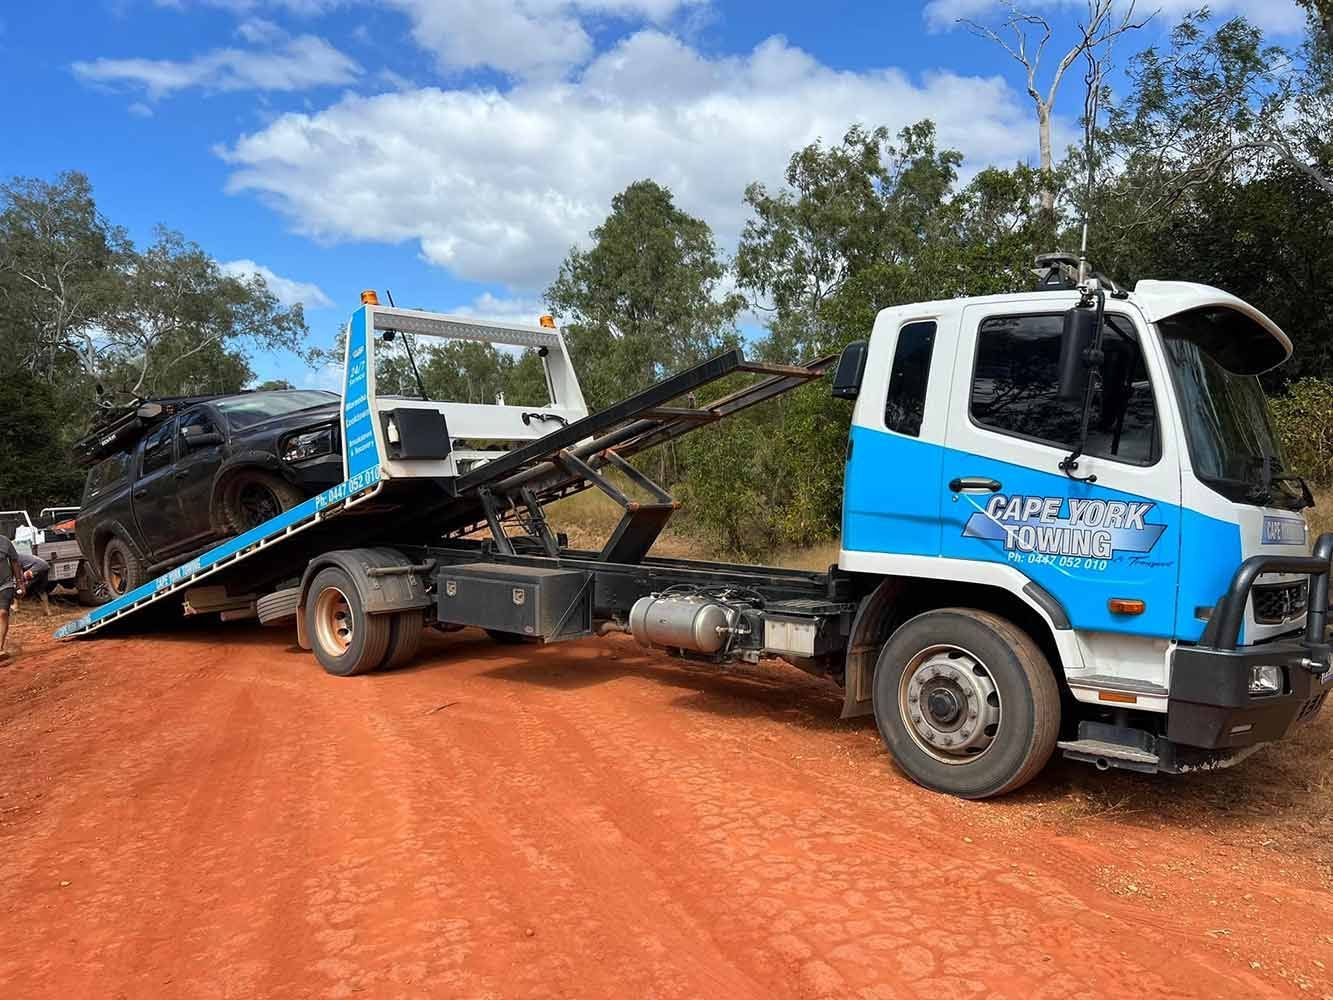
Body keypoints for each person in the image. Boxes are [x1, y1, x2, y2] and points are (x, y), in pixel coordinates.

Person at [0, 535, 26, 662]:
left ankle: (0, 648)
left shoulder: (5, 542)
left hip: (6, 584)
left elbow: (15, 561)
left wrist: (20, 582)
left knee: (3, 612)